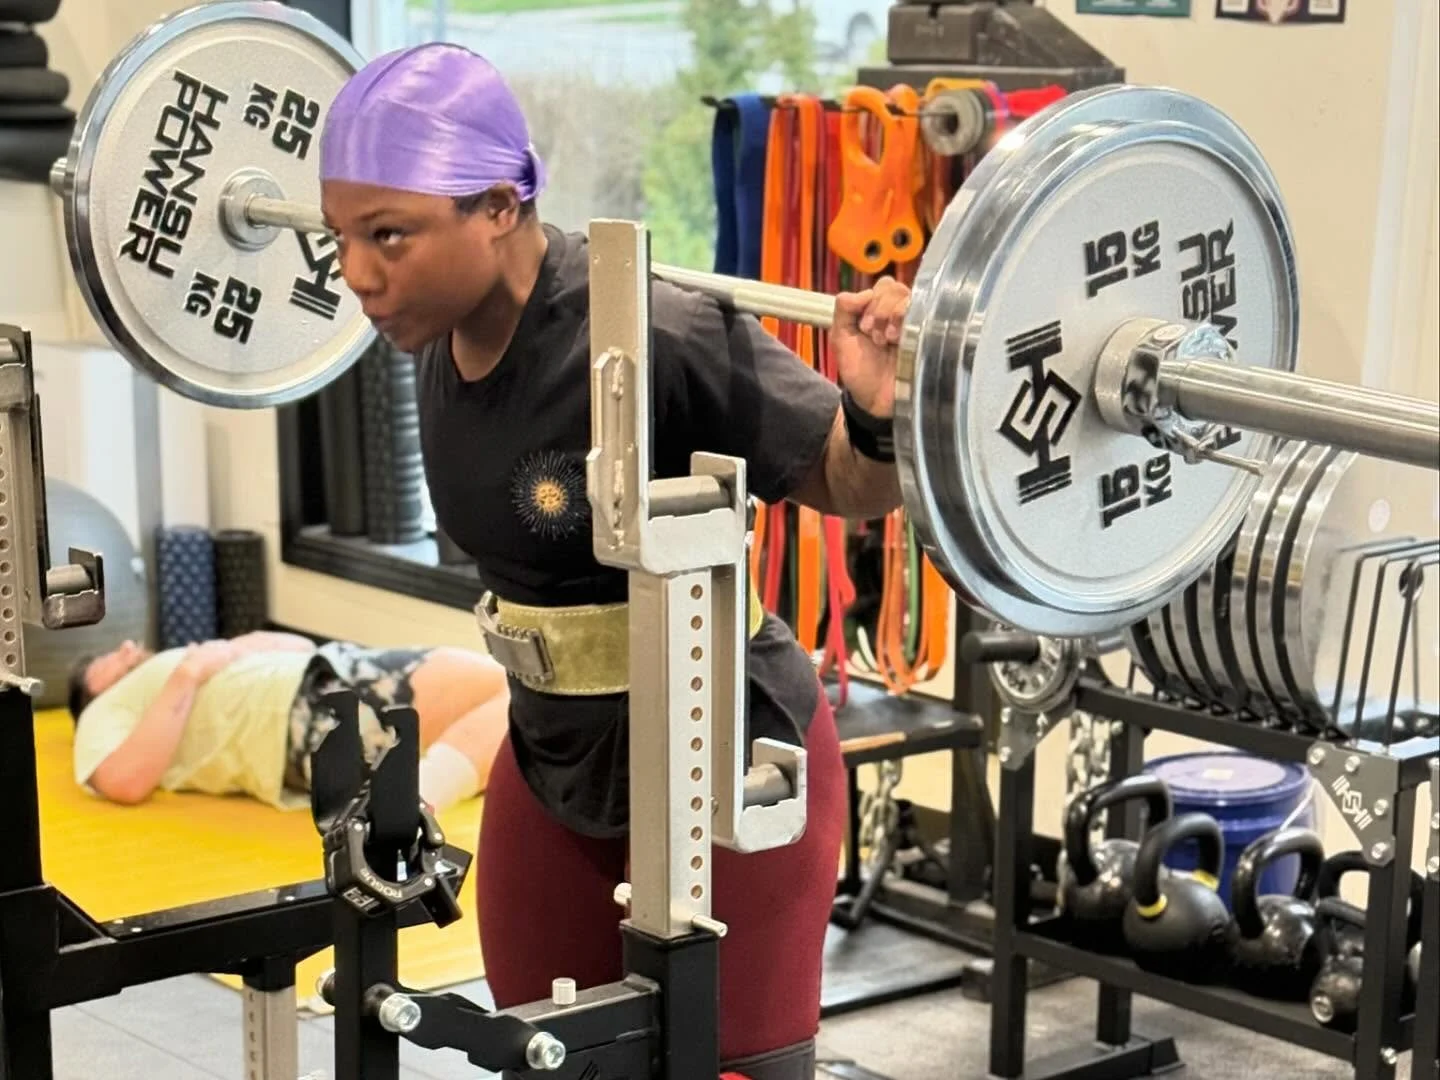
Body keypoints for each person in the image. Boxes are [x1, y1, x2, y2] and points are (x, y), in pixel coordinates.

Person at [318, 44, 910, 1080]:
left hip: (725, 753)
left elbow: (850, 483)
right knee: (547, 1058)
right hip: (555, 750)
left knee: (723, 1068)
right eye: (341, 239)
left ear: (499, 205)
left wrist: (875, 407)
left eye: (388, 236)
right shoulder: (434, 329)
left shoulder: (653, 328)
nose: (359, 277)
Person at [67, 631, 509, 813]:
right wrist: (187, 674)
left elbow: (297, 644)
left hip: (324, 671)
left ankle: (417, 792)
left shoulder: (192, 659)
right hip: (303, 706)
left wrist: (236, 646)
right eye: (106, 660)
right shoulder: (101, 712)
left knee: (515, 700)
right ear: (91, 692)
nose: (126, 648)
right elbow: (124, 781)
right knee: (515, 693)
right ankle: (416, 797)